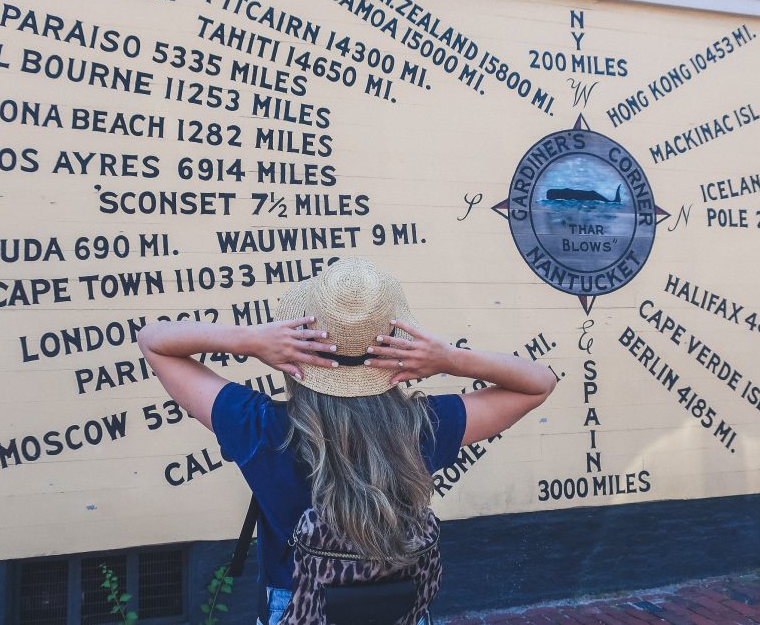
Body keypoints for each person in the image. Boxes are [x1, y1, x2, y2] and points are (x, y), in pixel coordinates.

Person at [137, 257, 556, 624]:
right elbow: (539, 383)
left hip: (297, 607)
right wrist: (449, 358)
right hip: (401, 605)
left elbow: (154, 341)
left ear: (299, 343)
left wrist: (248, 341)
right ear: (394, 347)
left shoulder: (259, 427)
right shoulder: (425, 425)